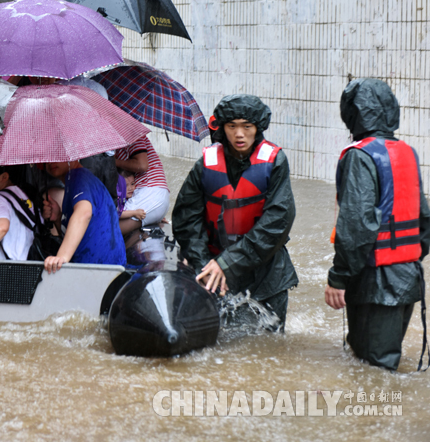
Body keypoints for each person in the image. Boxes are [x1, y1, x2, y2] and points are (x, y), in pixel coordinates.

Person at [325, 78, 430, 370]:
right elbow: (424, 221)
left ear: (352, 113)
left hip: (376, 281)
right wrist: (406, 262)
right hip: (408, 278)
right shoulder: (407, 152)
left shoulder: (360, 156)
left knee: (373, 369)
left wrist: (338, 278)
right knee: (381, 367)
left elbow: (356, 226)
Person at [172, 94, 298, 328]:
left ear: (257, 128)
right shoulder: (206, 164)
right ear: (222, 128)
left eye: (247, 127)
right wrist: (204, 266)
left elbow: (277, 223)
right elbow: (186, 219)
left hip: (266, 273)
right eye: (232, 127)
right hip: (214, 269)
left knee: (268, 344)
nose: (239, 134)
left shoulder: (275, 162)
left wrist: (227, 263)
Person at [42, 160, 126, 272]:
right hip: (102, 268)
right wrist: (57, 218)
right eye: (48, 158)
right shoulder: (75, 179)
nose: (50, 162)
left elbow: (84, 213)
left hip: (101, 270)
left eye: (57, 155)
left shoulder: (77, 176)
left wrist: (61, 257)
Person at [114, 135, 169, 235]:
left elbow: (142, 165)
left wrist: (114, 162)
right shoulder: (116, 145)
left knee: (110, 228)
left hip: (150, 191)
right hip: (152, 195)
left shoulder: (131, 134)